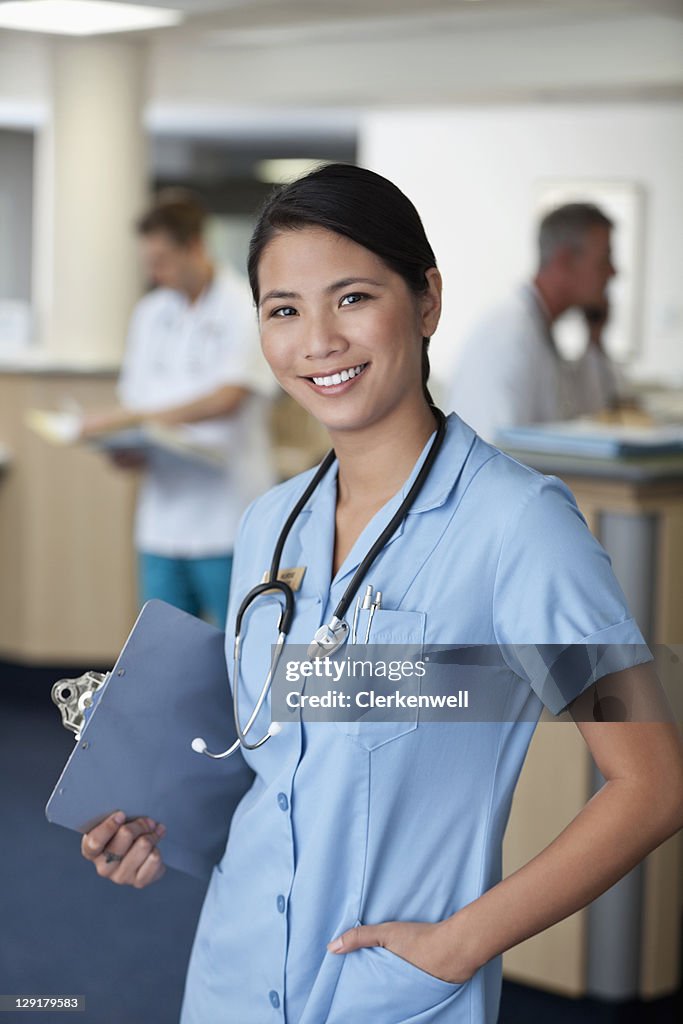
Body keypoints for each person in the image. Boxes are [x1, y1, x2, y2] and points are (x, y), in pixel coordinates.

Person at [80, 166, 683, 1024]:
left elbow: (652, 784)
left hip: (389, 990)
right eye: (282, 309)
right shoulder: (268, 525)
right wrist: (157, 824)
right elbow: (271, 760)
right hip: (229, 971)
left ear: (426, 301)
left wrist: (461, 943)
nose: (316, 339)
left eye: (353, 297)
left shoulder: (520, 527)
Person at [81, 192, 276, 626]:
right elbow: (136, 401)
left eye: (163, 260)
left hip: (227, 515)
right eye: (148, 262)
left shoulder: (244, 309)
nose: (154, 272)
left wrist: (132, 420)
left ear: (195, 246)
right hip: (162, 520)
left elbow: (229, 397)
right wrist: (126, 444)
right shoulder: (150, 313)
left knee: (239, 645)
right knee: (161, 646)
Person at [449, 202, 619, 442]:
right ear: (565, 261)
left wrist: (595, 338)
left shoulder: (538, 329)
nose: (614, 272)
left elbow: (593, 414)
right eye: (604, 260)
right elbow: (498, 448)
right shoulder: (509, 334)